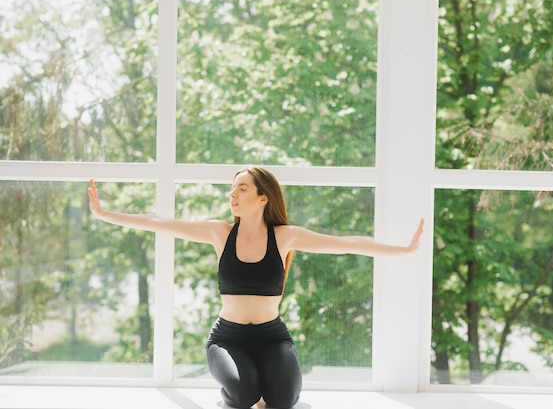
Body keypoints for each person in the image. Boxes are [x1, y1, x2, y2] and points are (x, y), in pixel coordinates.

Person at [88, 166, 424, 409]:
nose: (232, 194)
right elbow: (158, 224)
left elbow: (346, 243)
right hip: (228, 337)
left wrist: (404, 250)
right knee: (243, 396)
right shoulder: (220, 233)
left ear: (263, 197)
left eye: (242, 188)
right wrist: (104, 213)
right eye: (232, 189)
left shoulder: (284, 236)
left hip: (272, 337)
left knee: (283, 400)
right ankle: (245, 384)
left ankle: (263, 378)